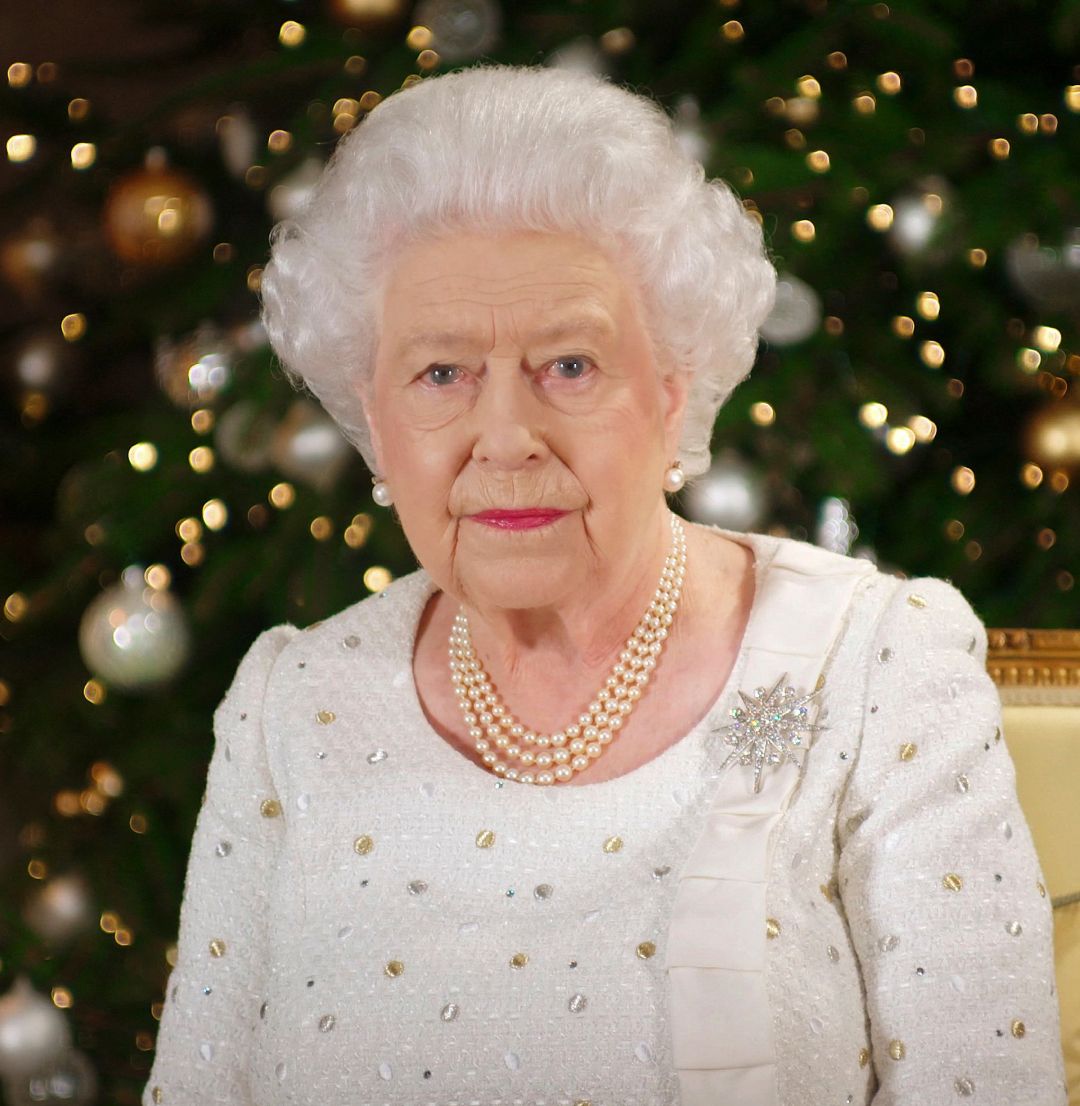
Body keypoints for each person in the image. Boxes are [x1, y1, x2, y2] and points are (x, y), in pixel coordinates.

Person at [142, 63, 1065, 1106]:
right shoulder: (293, 705)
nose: (506, 438)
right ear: (374, 416)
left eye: (569, 366)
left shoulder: (871, 667)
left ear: (672, 393)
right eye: (442, 373)